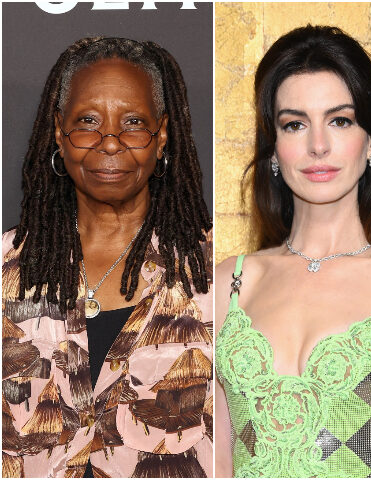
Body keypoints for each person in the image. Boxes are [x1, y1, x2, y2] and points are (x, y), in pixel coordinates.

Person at [215, 25, 371, 478]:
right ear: (274, 147)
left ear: (370, 141)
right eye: (295, 124)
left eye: (340, 120)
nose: (317, 146)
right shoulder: (229, 283)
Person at [2, 37, 213, 478]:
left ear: (163, 134)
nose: (110, 143)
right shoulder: (5, 265)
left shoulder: (214, 274)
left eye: (133, 122)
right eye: (88, 122)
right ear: (59, 134)